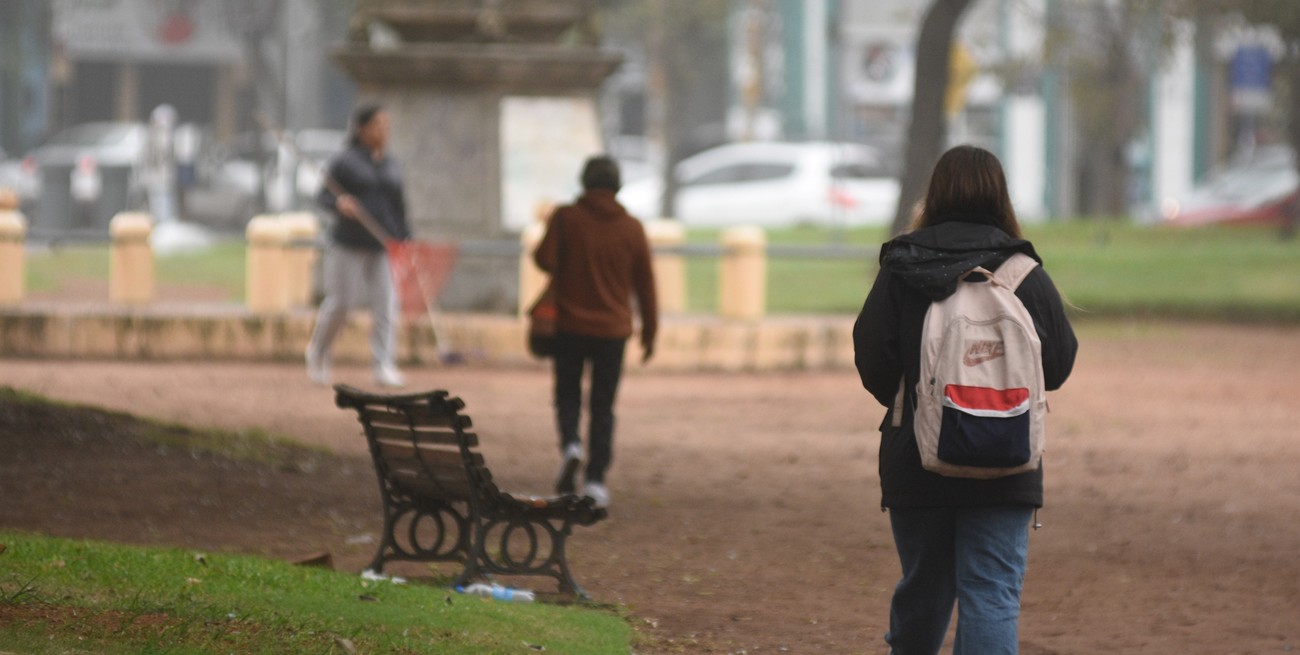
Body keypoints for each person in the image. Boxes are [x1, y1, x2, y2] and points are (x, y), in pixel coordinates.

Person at [853, 145, 1077, 655]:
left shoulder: (903, 266)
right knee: (992, 595)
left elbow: (871, 358)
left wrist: (919, 402)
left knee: (924, 592)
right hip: (1008, 454)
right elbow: (1059, 363)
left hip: (918, 458)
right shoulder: (1024, 273)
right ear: (1000, 195)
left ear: (935, 194)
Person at [533, 156, 658, 509]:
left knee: (568, 393)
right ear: (617, 186)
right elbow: (645, 286)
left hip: (569, 326)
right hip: (612, 331)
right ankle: (596, 481)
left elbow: (544, 259)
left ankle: (572, 444)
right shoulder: (632, 228)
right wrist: (650, 333)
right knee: (603, 405)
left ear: (584, 183)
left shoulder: (567, 218)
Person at [305, 105, 411, 388]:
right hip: (348, 244)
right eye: (378, 125)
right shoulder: (345, 161)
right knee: (342, 303)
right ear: (362, 129)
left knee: (386, 306)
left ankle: (383, 364)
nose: (384, 132)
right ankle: (319, 351)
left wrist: (404, 240)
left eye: (387, 126)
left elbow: (399, 208)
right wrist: (341, 204)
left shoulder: (391, 164)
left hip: (382, 244)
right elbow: (324, 198)